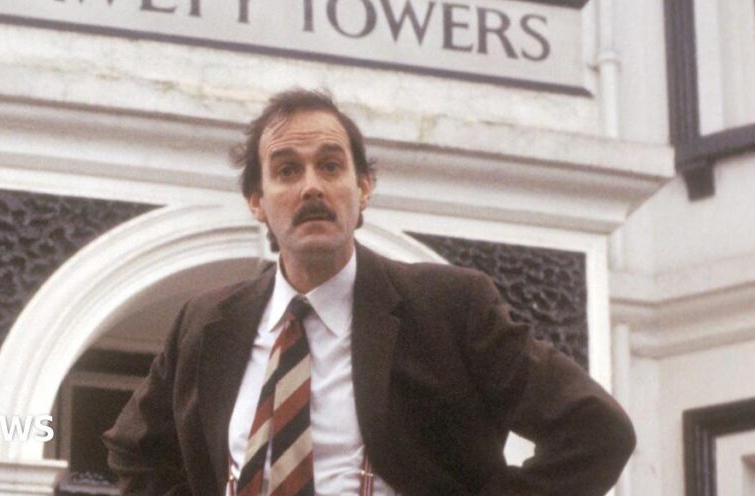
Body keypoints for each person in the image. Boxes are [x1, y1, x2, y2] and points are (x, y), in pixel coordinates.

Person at [103, 89, 636, 496]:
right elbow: (135, 450)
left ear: (362, 189)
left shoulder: (449, 308)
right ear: (257, 202)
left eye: (331, 166)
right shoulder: (205, 323)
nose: (312, 185)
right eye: (287, 170)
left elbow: (596, 432)